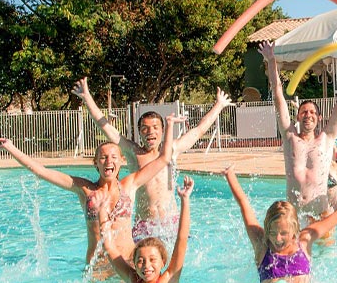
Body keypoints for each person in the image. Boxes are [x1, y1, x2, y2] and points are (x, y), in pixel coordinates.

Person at [0, 113, 184, 279]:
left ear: (122, 161)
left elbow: (164, 158)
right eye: (103, 157)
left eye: (114, 157)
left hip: (127, 266)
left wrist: (169, 125)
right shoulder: (84, 190)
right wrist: (11, 148)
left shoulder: (130, 185)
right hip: (96, 269)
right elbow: (41, 171)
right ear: (95, 163)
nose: (109, 161)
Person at [72, 77, 232, 246]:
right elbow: (105, 127)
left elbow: (198, 130)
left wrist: (219, 105)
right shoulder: (134, 153)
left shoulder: (171, 150)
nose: (150, 132)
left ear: (163, 131)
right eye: (145, 128)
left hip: (170, 223)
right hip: (144, 226)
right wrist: (87, 97)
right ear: (139, 133)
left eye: (155, 127)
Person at [223, 164, 337, 283]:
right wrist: (230, 174)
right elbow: (244, 204)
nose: (277, 238)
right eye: (272, 232)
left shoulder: (304, 241)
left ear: (294, 230)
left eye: (283, 233)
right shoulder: (262, 244)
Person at [258, 41, 337, 223]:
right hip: (293, 217)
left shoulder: (326, 139)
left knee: (328, 253)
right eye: (304, 112)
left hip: (322, 215)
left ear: (319, 118)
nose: (308, 115)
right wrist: (271, 60)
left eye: (313, 112)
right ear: (297, 117)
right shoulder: (290, 137)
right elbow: (278, 96)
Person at [97, 175, 194, 283]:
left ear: (163, 261)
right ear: (134, 263)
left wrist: (185, 199)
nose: (146, 265)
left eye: (152, 259)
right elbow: (109, 247)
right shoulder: (133, 280)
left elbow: (182, 239)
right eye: (141, 260)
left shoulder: (167, 281)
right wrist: (101, 211)